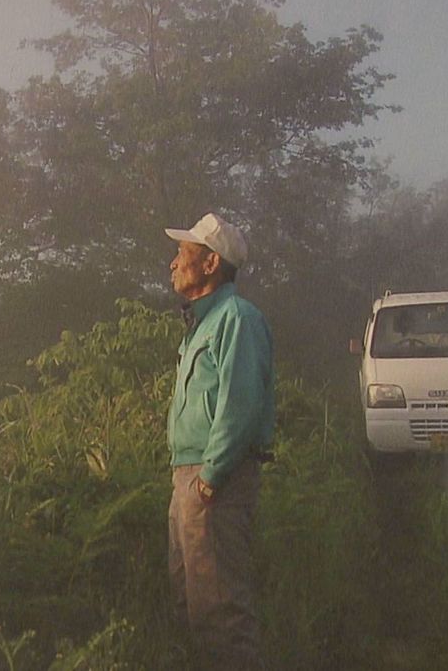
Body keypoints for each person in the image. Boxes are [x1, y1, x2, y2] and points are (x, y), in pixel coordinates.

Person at [165, 212, 275, 670]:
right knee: (191, 602)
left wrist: (210, 478)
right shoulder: (203, 325)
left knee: (220, 610)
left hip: (214, 481)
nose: (173, 263)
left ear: (211, 264)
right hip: (189, 478)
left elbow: (241, 404)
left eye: (182, 254)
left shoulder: (237, 319)